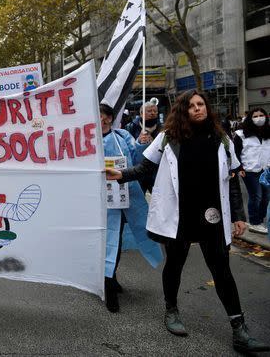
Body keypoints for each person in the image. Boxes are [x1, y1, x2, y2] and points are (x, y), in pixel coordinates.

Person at [107, 90, 269, 353]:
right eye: (192, 105)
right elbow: (145, 168)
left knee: (222, 271)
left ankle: (239, 329)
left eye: (201, 104)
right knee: (175, 265)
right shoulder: (168, 138)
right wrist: (120, 175)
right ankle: (171, 310)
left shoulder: (222, 138)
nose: (198, 109)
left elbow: (232, 180)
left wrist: (239, 217)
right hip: (179, 216)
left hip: (213, 217)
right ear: (183, 110)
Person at [99, 103, 163, 313]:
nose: (102, 119)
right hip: (100, 200)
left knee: (118, 239)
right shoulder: (86, 140)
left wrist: (143, 145)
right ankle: (108, 286)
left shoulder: (123, 136)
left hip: (126, 195)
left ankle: (112, 276)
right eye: (97, 116)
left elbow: (137, 162)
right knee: (109, 241)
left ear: (110, 117)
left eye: (105, 116)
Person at [233, 108, 270, 235]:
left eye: (261, 115)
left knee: (266, 196)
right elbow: (236, 152)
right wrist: (240, 168)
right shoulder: (241, 134)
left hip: (265, 169)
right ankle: (254, 222)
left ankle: (260, 219)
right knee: (256, 196)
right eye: (255, 116)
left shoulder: (267, 132)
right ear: (250, 118)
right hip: (249, 170)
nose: (259, 118)